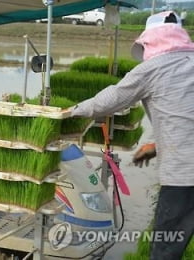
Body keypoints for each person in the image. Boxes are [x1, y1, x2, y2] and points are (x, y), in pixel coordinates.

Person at [69, 11, 194, 259]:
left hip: (184, 176)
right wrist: (157, 145)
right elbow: (185, 117)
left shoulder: (153, 68)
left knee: (166, 246)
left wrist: (72, 111)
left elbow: (111, 99)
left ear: (150, 41)